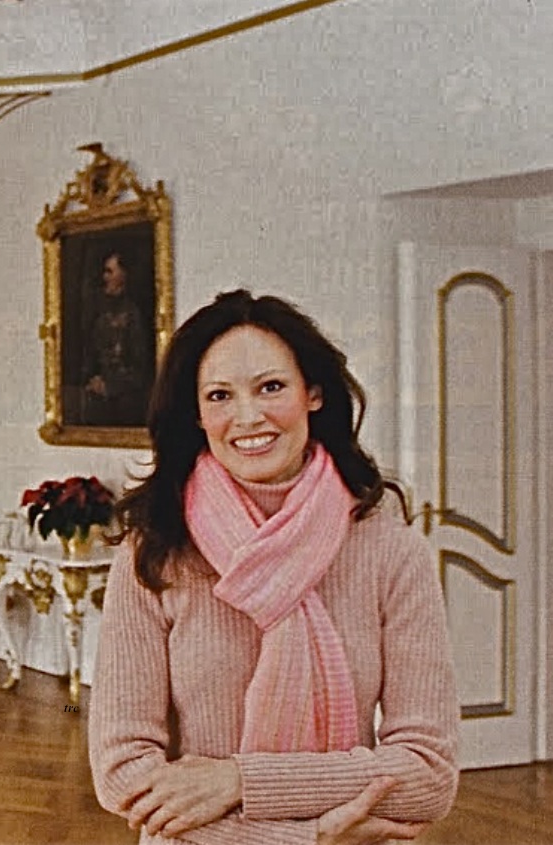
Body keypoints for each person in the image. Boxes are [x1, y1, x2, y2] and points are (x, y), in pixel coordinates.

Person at [89, 289, 459, 844]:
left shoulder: (390, 549)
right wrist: (307, 839)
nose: (248, 416)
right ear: (197, 415)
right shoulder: (155, 551)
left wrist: (239, 780)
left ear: (313, 394)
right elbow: (123, 774)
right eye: (220, 395)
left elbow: (427, 774)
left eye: (271, 387)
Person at [80, 251, 151, 426]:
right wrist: (94, 379)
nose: (105, 277)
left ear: (124, 275)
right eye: (105, 271)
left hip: (128, 398)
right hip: (98, 391)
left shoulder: (135, 313)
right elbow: (89, 353)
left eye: (110, 271)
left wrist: (111, 386)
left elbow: (141, 366)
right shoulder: (97, 309)